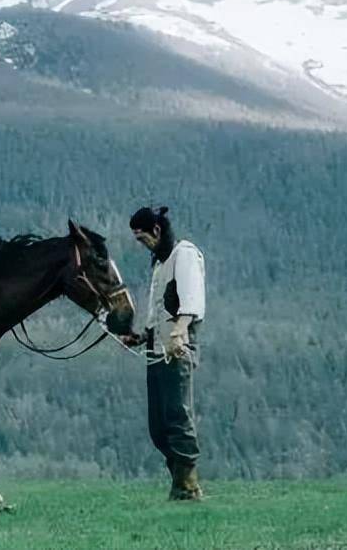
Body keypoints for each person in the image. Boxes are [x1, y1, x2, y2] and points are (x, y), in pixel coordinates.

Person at [123, 205, 206, 501]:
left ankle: (188, 485)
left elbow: (192, 298)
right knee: (158, 425)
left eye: (142, 238)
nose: (142, 244)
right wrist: (142, 336)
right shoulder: (159, 264)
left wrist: (179, 331)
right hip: (155, 351)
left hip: (177, 349)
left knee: (178, 416)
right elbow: (157, 310)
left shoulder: (184, 255)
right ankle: (179, 480)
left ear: (156, 231)